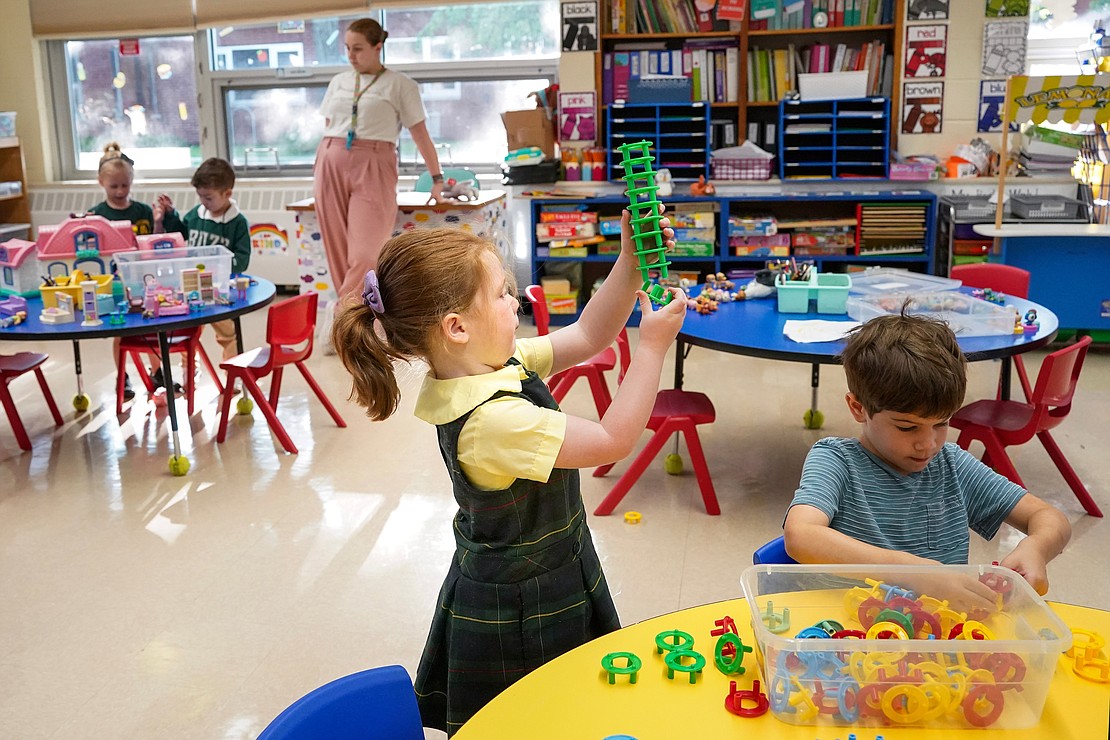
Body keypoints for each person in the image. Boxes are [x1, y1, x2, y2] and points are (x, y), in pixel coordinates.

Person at [331, 218, 686, 735]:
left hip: (551, 566)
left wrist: (630, 261)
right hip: (521, 604)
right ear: (457, 327)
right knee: (526, 718)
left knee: (562, 709)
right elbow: (613, 440)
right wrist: (652, 348)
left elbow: (587, 335)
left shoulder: (491, 362)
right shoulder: (492, 421)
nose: (515, 300)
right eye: (501, 293)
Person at [783, 311, 1070, 606]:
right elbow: (800, 535)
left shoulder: (951, 465)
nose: (928, 443)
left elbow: (1050, 518)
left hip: (939, 636)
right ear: (858, 408)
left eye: (942, 423)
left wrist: (1035, 548)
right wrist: (910, 573)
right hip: (846, 635)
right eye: (907, 427)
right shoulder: (836, 461)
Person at [315, 17, 445, 348]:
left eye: (358, 49)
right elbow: (331, 123)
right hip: (330, 156)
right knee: (338, 250)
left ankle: (343, 322)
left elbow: (420, 133)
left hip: (374, 161)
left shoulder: (400, 85)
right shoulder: (340, 81)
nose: (351, 55)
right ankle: (357, 325)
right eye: (346, 48)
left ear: (377, 47)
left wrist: (437, 178)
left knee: (365, 253)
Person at [87, 142, 172, 400]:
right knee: (122, 330)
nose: (121, 190)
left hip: (145, 280)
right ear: (102, 182)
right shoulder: (97, 215)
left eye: (125, 185)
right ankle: (122, 377)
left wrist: (158, 222)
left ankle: (158, 373)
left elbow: (156, 243)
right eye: (114, 186)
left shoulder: (143, 211)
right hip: (114, 283)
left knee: (152, 325)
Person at [159, 158, 251, 360]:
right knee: (186, 333)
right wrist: (170, 216)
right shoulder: (195, 215)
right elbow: (181, 236)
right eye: (200, 196)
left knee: (228, 335)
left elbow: (242, 261)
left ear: (227, 194)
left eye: (208, 198)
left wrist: (220, 265)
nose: (203, 202)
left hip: (220, 292)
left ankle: (234, 377)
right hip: (190, 287)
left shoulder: (238, 223)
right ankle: (188, 375)